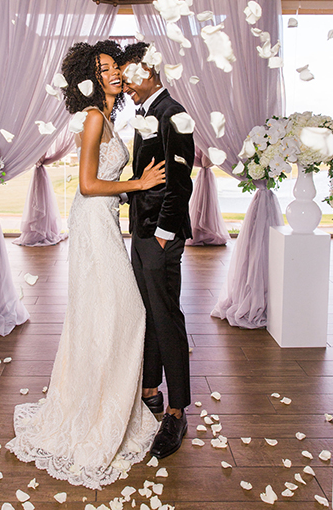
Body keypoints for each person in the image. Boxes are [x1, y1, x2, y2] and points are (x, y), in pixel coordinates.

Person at [7, 39, 165, 489]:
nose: (114, 72)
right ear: (89, 79)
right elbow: (89, 184)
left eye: (115, 65)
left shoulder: (109, 117)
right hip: (95, 221)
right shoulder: (95, 117)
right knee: (124, 313)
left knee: (102, 315)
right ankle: (97, 412)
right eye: (103, 68)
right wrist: (140, 182)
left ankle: (105, 405)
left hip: (104, 222)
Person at [120, 41, 194, 459]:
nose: (127, 86)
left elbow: (180, 183)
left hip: (159, 237)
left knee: (168, 320)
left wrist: (164, 234)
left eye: (130, 77)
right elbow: (147, 177)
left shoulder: (174, 114)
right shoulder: (148, 113)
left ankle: (177, 411)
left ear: (148, 71)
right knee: (148, 314)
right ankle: (150, 390)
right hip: (142, 234)